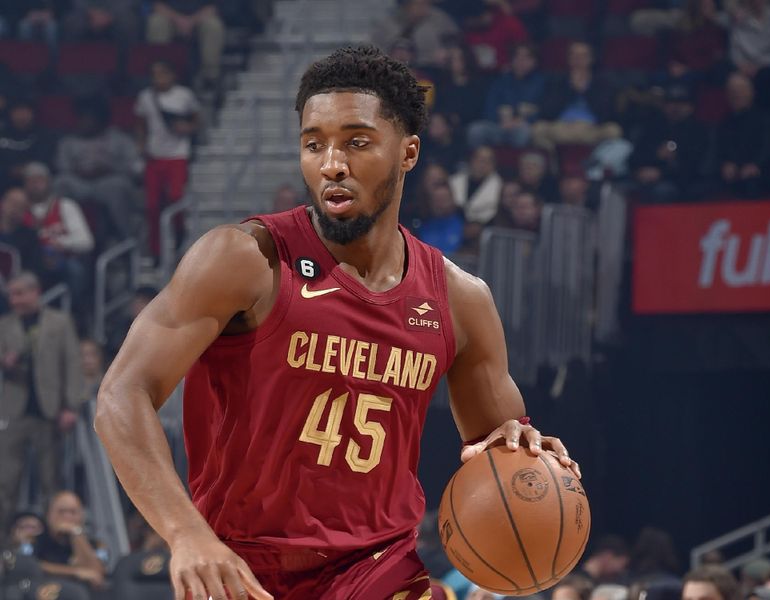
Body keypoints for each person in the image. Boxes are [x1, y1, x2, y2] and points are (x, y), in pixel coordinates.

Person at [94, 45, 580, 600]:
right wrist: (185, 534)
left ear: (408, 152)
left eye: (357, 141)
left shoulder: (460, 298)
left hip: (378, 568)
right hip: (242, 566)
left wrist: (519, 446)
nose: (331, 163)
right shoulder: (245, 259)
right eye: (313, 143)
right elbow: (121, 395)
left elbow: (497, 448)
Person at [0, 272, 84, 538]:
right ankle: (4, 539)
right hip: (12, 411)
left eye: (20, 294)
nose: (15, 300)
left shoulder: (59, 323)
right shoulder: (4, 325)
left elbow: (71, 364)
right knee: (6, 480)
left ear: (35, 292)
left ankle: (53, 539)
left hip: (50, 411)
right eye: (11, 295)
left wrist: (71, 406)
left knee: (51, 481)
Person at [54, 94, 143, 243]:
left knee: (117, 186)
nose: (84, 122)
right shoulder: (68, 142)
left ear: (100, 119)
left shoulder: (119, 139)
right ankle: (60, 235)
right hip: (79, 183)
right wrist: (78, 171)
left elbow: (134, 167)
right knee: (60, 183)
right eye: (81, 118)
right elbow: (62, 167)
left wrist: (110, 169)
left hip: (108, 182)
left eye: (89, 118)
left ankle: (127, 238)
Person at [135, 60, 201, 259]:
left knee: (175, 197)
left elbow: (197, 119)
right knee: (152, 205)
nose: (158, 78)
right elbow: (140, 123)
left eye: (162, 73)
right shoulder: (145, 97)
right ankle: (155, 250)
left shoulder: (184, 95)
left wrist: (187, 128)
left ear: (172, 75)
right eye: (154, 74)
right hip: (154, 156)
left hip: (177, 155)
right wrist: (141, 145)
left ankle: (179, 229)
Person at [22, 162, 95, 302]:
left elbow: (87, 242)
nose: (35, 185)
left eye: (39, 180)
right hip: (30, 263)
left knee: (75, 270)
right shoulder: (20, 209)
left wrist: (60, 243)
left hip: (63, 261)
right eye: (30, 181)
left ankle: (76, 312)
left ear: (49, 182)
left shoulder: (65, 206)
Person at [467, 42, 546, 149]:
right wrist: (500, 121)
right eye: (517, 56)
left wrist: (522, 121)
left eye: (526, 57)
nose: (520, 61)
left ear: (534, 61)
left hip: (522, 127)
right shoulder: (501, 81)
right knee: (475, 130)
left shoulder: (541, 83)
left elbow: (543, 110)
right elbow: (489, 107)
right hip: (499, 126)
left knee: (523, 132)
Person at [32, 490, 107, 593]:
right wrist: (75, 572)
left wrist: (76, 533)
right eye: (61, 511)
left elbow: (96, 573)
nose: (67, 517)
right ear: (48, 515)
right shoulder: (34, 541)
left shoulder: (97, 544)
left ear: (82, 516)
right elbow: (30, 566)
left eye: (73, 512)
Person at [716, 72, 770, 198]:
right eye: (732, 91)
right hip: (733, 173)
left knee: (751, 184)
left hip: (761, 171)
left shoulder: (764, 120)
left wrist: (756, 165)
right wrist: (724, 164)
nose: (736, 95)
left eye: (741, 90)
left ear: (752, 92)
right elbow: (718, 150)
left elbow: (768, 147)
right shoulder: (724, 123)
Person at [146, 0, 226, 88]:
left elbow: (213, 7)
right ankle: (160, 75)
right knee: (156, 22)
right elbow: (157, 5)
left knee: (213, 26)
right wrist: (179, 20)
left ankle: (210, 78)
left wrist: (192, 21)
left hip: (200, 19)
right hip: (170, 18)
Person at [371, 0, 459, 69]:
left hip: (433, 70)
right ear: (407, 5)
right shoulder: (389, 24)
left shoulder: (439, 19)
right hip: (395, 70)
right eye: (418, 4)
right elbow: (374, 48)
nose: (423, 8)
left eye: (426, 3)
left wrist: (448, 52)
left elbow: (457, 42)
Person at [0, 97, 56, 192]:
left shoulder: (43, 135)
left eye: (26, 111)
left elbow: (44, 161)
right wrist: (9, 170)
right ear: (10, 113)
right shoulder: (2, 134)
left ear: (33, 113)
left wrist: (25, 170)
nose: (22, 115)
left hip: (34, 181)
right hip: (4, 179)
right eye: (18, 111)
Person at [0, 187, 45, 279]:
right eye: (12, 203)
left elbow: (32, 270)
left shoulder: (30, 237)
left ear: (25, 211)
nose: (15, 208)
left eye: (20, 206)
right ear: (2, 203)